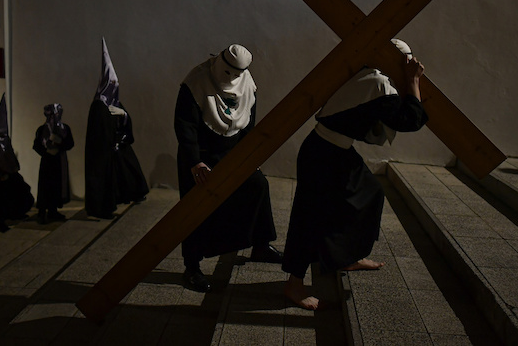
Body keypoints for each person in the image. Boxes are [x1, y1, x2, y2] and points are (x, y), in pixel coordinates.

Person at [282, 39, 429, 310]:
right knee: (309, 217)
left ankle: (347, 256)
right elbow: (410, 120)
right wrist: (413, 83)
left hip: (333, 151)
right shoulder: (378, 84)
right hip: (323, 154)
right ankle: (294, 284)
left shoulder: (368, 75)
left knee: (370, 193)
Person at [175, 44, 282, 293]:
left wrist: (248, 157)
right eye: (229, 71)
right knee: (194, 208)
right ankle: (192, 267)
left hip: (231, 152)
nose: (233, 78)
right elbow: (184, 125)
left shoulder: (247, 82)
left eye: (238, 73)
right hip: (200, 155)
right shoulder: (196, 80)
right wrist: (195, 161)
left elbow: (249, 121)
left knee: (258, 185)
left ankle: (260, 245)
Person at [85, 38, 148, 219]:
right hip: (104, 151)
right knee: (103, 179)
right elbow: (99, 133)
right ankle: (100, 209)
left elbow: (125, 122)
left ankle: (134, 193)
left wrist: (124, 116)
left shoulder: (115, 103)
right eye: (111, 85)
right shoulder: (98, 106)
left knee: (129, 163)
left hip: (117, 145)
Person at [0, 94, 34, 233]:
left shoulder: (5, 143)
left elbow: (11, 162)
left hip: (8, 179)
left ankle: (16, 213)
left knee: (22, 190)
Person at [33, 103, 74, 224]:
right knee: (45, 186)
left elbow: (70, 143)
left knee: (57, 186)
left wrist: (60, 144)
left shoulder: (64, 128)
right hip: (47, 161)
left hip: (59, 160)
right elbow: (36, 145)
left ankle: (53, 210)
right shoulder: (42, 129)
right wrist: (46, 151)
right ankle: (41, 212)